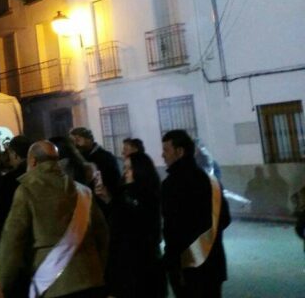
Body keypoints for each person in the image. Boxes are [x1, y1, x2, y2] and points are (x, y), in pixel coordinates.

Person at [0, 140, 109, 298]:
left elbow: (12, 243)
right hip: (91, 280)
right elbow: (102, 235)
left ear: (32, 161)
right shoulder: (82, 191)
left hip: (53, 285)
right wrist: (95, 268)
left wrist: (1, 285)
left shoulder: (27, 191)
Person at [161, 130, 230, 298]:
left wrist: (172, 262)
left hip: (186, 267)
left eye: (166, 150)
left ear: (180, 152)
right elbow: (225, 218)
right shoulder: (211, 181)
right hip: (213, 263)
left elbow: (172, 229)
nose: (162, 155)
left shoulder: (171, 185)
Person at [101, 152, 166, 298]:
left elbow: (126, 227)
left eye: (129, 168)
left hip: (133, 267)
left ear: (140, 170)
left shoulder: (134, 195)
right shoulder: (142, 194)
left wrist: (112, 203)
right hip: (144, 265)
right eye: (124, 168)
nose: (125, 172)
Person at [0, 135, 32, 248]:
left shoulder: (10, 179)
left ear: (14, 154)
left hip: (17, 233)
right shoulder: (39, 175)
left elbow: (3, 211)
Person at [70, 127, 122, 210]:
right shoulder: (76, 158)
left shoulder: (106, 157)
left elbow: (114, 181)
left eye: (78, 139)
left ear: (89, 139)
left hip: (104, 204)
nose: (75, 144)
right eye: (73, 141)